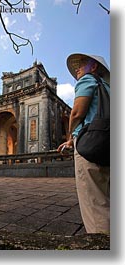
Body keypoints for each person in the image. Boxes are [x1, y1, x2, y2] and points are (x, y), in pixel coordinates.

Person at [58, 53, 110, 234]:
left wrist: (71, 137)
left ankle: (101, 248)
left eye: (81, 64)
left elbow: (77, 113)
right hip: (108, 145)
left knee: (93, 200)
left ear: (93, 67)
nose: (77, 69)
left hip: (89, 144)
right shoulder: (109, 87)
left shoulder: (87, 80)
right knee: (107, 197)